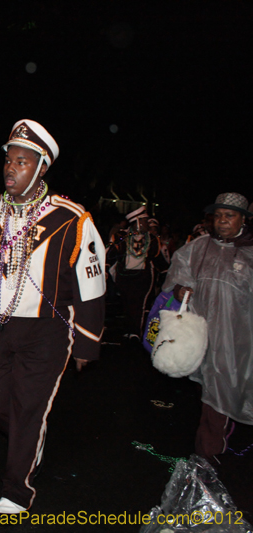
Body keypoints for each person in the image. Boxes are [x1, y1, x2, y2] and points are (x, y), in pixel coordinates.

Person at [0, 120, 106, 513]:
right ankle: (30, 439)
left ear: (42, 168)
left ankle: (16, 490)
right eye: (8, 161)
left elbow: (91, 284)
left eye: (21, 162)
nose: (10, 169)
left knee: (28, 406)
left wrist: (87, 342)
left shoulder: (71, 217)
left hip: (48, 328)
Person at [163, 192, 253, 465]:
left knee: (224, 390)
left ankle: (210, 449)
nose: (222, 221)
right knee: (212, 392)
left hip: (237, 338)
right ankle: (208, 450)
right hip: (200, 333)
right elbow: (177, 277)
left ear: (244, 220)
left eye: (230, 216)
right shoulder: (198, 247)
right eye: (219, 216)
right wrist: (180, 290)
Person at [106, 206, 168, 338]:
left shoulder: (151, 239)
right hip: (124, 277)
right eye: (145, 221)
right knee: (126, 304)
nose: (147, 224)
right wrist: (105, 268)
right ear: (137, 222)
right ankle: (128, 331)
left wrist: (165, 273)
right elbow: (111, 254)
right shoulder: (121, 237)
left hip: (143, 278)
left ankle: (136, 332)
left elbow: (158, 259)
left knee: (139, 305)